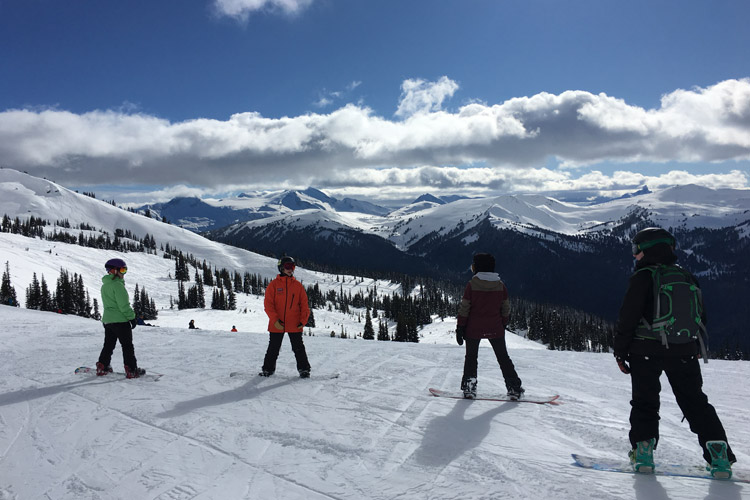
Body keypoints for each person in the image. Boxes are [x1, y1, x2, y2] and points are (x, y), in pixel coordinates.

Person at [613, 227, 735, 477]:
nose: (634, 255)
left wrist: (620, 351)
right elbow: (701, 316)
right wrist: (695, 344)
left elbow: (628, 317)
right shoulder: (687, 276)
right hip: (684, 350)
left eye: (636, 250)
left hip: (644, 350)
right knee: (696, 403)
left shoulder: (643, 277)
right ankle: (718, 455)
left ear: (646, 249)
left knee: (645, 402)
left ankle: (643, 453)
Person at [456, 253, 523, 399]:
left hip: (473, 328)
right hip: (495, 328)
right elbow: (506, 308)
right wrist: (502, 323)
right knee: (503, 358)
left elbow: (465, 307)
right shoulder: (500, 285)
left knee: (471, 357)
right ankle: (514, 387)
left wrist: (460, 327)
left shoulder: (472, 285)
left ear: (477, 267)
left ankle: (469, 387)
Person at [260, 256, 311, 378]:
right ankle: (268, 370)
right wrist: (275, 320)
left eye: (292, 267)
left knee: (298, 348)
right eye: (288, 266)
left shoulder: (298, 286)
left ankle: (304, 369)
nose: (290, 269)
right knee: (273, 348)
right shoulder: (273, 285)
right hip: (278, 323)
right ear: (281, 268)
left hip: (294, 323)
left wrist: (303, 321)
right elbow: (268, 305)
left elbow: (304, 305)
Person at [97, 258, 145, 379]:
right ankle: (132, 370)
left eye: (125, 270)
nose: (124, 273)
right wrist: (132, 318)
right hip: (121, 321)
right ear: (113, 270)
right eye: (122, 270)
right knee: (127, 345)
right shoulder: (117, 286)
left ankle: (102, 366)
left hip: (108, 321)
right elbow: (123, 305)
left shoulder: (105, 286)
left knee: (108, 344)